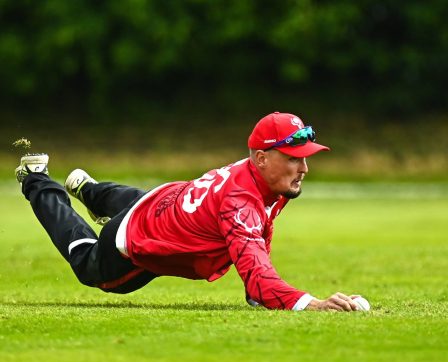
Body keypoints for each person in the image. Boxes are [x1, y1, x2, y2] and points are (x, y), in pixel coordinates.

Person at [16, 112, 362, 312]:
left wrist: (256, 296)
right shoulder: (240, 202)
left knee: (141, 202)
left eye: (305, 157)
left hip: (165, 199)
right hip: (134, 238)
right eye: (293, 158)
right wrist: (312, 304)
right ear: (261, 159)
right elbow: (259, 277)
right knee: (88, 266)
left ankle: (90, 190)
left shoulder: (267, 178)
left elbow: (260, 233)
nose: (304, 168)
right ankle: (38, 180)